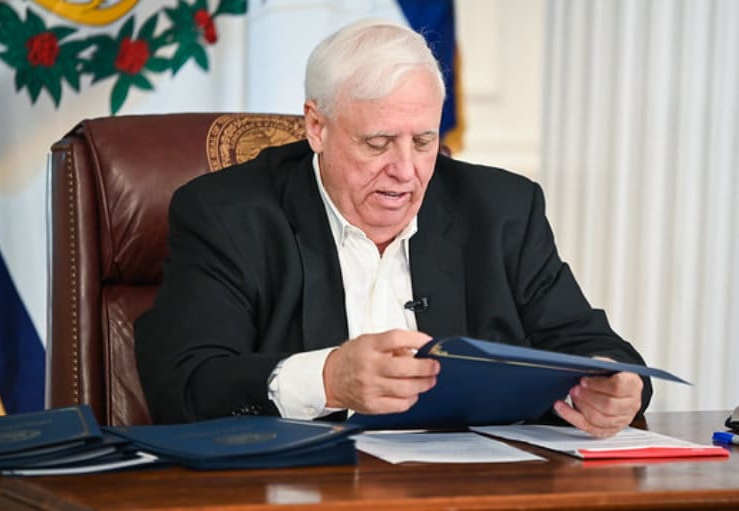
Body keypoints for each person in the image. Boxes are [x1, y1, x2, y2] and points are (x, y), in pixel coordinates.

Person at [135, 19, 651, 438]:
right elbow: (183, 386)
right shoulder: (228, 215)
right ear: (317, 126)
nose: (406, 171)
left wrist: (617, 388)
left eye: (424, 141)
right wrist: (327, 380)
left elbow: (595, 347)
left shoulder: (501, 210)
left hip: (471, 488)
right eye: (378, 143)